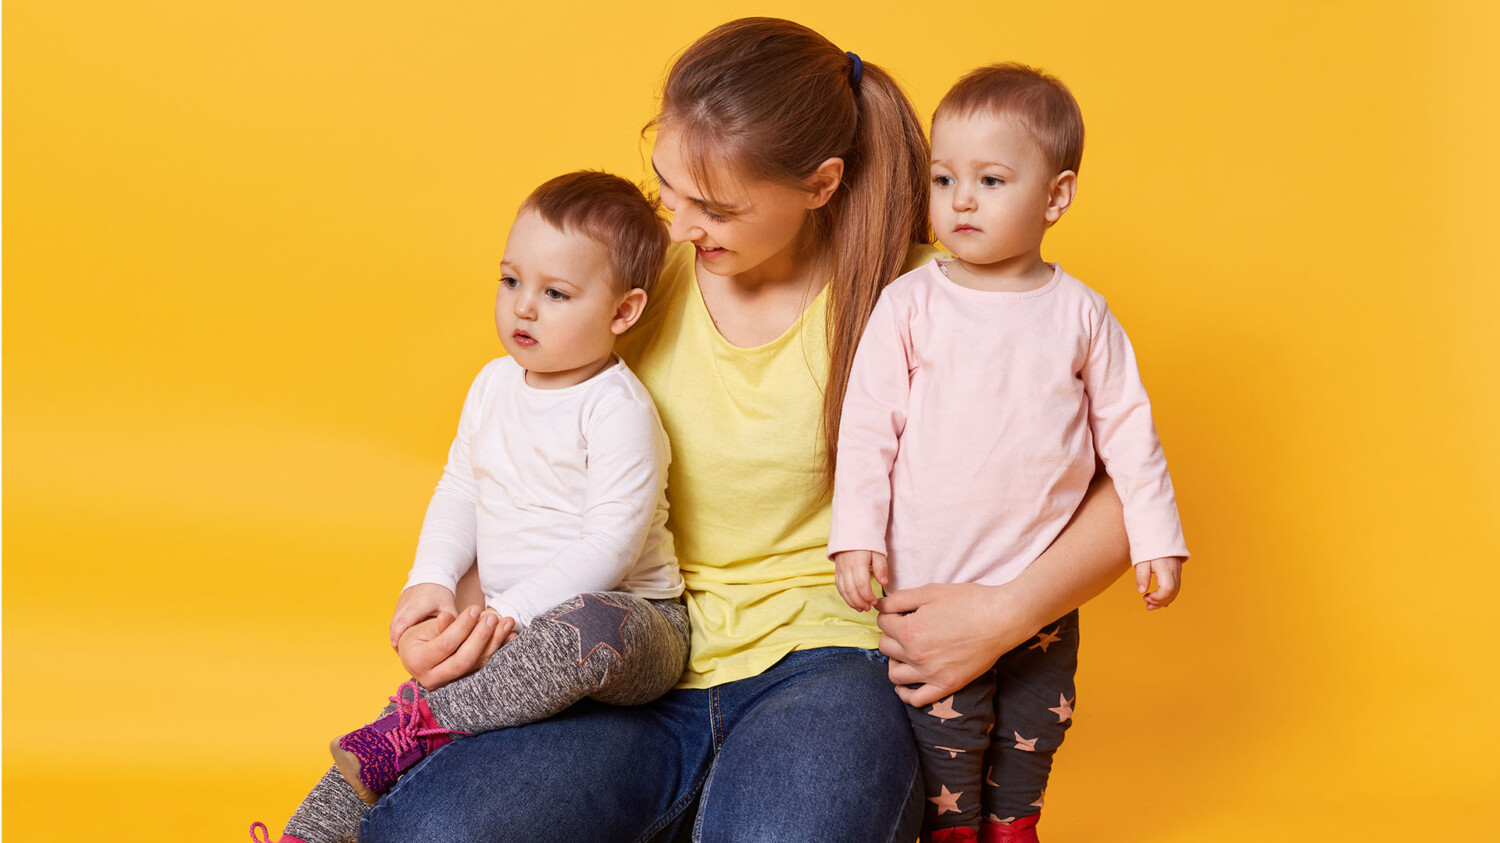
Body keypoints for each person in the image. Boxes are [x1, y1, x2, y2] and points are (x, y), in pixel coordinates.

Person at [361, 19, 1136, 843]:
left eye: (718, 207)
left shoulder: (924, 294)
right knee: (425, 829)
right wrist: (461, 610)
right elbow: (513, 458)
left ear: (820, 184)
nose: (682, 225)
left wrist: (999, 616)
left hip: (838, 667)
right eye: (670, 189)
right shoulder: (625, 291)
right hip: (641, 664)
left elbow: (1125, 494)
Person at [251, 171, 690, 843]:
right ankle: (310, 830)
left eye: (556, 293)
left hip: (634, 627)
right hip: (510, 620)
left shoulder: (616, 410)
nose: (523, 308)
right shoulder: (492, 386)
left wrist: (507, 614)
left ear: (623, 313)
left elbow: (610, 547)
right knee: (405, 711)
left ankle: (427, 726)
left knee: (586, 627)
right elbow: (461, 487)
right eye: (511, 281)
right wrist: (428, 581)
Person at [829, 64, 1190, 843]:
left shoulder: (1082, 315)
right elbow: (867, 426)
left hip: (1042, 590)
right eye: (945, 179)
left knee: (1032, 729)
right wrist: (855, 531)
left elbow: (1131, 434)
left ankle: (1016, 829)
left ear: (1055, 196)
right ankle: (957, 832)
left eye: (990, 180)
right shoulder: (911, 303)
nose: (961, 200)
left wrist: (1158, 537)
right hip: (933, 581)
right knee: (946, 743)